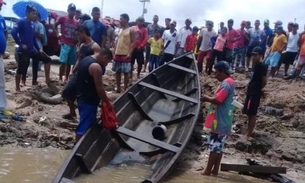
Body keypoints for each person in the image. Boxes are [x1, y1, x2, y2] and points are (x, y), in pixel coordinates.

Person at [201, 61, 235, 176]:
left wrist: (207, 98)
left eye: (216, 72)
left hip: (220, 119)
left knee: (214, 146)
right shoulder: (230, 82)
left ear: (222, 72)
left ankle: (207, 171)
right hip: (225, 118)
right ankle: (215, 170)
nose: (215, 75)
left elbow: (218, 100)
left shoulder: (226, 84)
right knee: (219, 146)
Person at [62, 25, 101, 120]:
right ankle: (72, 112)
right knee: (67, 92)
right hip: (78, 73)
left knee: (83, 97)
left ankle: (85, 116)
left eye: (79, 34)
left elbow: (97, 63)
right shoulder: (83, 46)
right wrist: (73, 70)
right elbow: (79, 59)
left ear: (83, 32)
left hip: (87, 76)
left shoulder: (95, 46)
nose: (78, 36)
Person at [75, 48, 113, 142]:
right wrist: (108, 103)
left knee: (84, 123)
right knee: (83, 127)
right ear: (104, 57)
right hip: (89, 101)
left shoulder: (86, 59)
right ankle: (77, 148)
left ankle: (81, 145)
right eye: (108, 61)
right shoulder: (96, 67)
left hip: (81, 97)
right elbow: (99, 89)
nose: (107, 64)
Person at [11, 5, 52, 91]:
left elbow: (33, 38)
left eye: (35, 14)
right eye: (33, 13)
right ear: (27, 13)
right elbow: (13, 32)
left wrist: (39, 49)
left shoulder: (32, 24)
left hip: (32, 50)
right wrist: (21, 44)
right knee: (21, 69)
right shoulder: (21, 22)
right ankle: (17, 87)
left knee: (48, 59)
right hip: (24, 51)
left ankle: (47, 79)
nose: (35, 15)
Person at [243, 46, 267, 138]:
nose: (253, 57)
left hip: (255, 92)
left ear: (260, 55)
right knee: (249, 112)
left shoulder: (262, 66)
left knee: (252, 113)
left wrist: (258, 89)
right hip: (251, 90)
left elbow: (264, 81)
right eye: (253, 55)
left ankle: (249, 134)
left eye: (255, 55)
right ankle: (248, 132)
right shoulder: (255, 65)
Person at [54, 3, 78, 82]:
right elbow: (55, 25)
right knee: (63, 61)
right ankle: (60, 77)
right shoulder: (63, 18)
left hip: (73, 44)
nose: (72, 12)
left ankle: (66, 78)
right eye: (71, 10)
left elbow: (78, 32)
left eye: (74, 10)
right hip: (65, 42)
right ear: (68, 10)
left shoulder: (76, 22)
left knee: (70, 63)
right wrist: (57, 34)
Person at [112, 13, 135, 93]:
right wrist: (114, 51)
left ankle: (125, 88)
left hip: (126, 54)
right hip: (118, 53)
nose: (120, 20)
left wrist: (130, 53)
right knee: (117, 72)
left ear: (126, 19)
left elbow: (133, 43)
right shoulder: (120, 30)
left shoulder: (131, 30)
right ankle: (118, 88)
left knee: (126, 72)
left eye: (121, 19)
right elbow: (117, 41)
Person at [83, 7, 107, 74]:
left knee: (96, 64)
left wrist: (101, 49)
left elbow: (104, 39)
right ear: (92, 14)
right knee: (84, 63)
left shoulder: (102, 26)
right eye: (96, 14)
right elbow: (82, 35)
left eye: (98, 14)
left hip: (96, 48)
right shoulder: (86, 23)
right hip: (86, 47)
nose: (97, 16)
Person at [0, 0, 8, 114]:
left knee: (1, 81)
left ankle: (1, 106)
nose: (1, 6)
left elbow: (6, 32)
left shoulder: (1, 18)